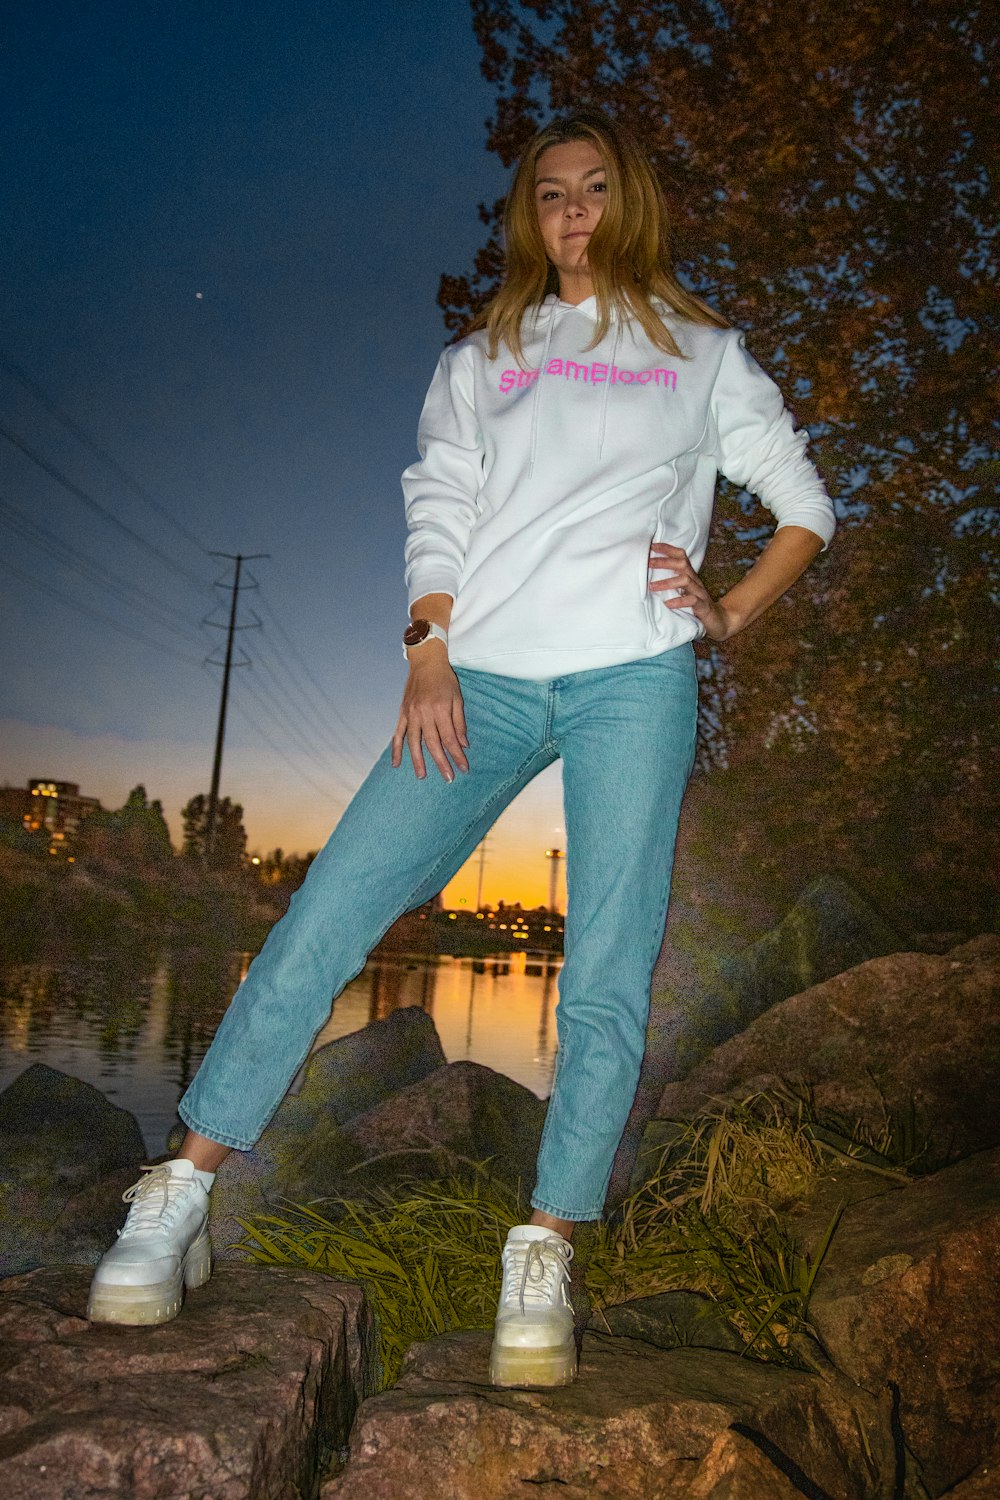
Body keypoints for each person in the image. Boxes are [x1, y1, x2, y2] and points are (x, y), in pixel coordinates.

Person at [86, 107, 836, 1389]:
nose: (573, 210)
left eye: (596, 188)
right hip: (475, 676)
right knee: (325, 917)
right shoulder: (487, 351)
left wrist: (724, 613)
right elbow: (440, 499)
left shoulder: (704, 355)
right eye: (550, 193)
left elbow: (807, 507)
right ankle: (183, 1190)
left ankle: (544, 1245)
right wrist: (424, 650)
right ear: (527, 218)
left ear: (631, 202)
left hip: (630, 683)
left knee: (605, 969)